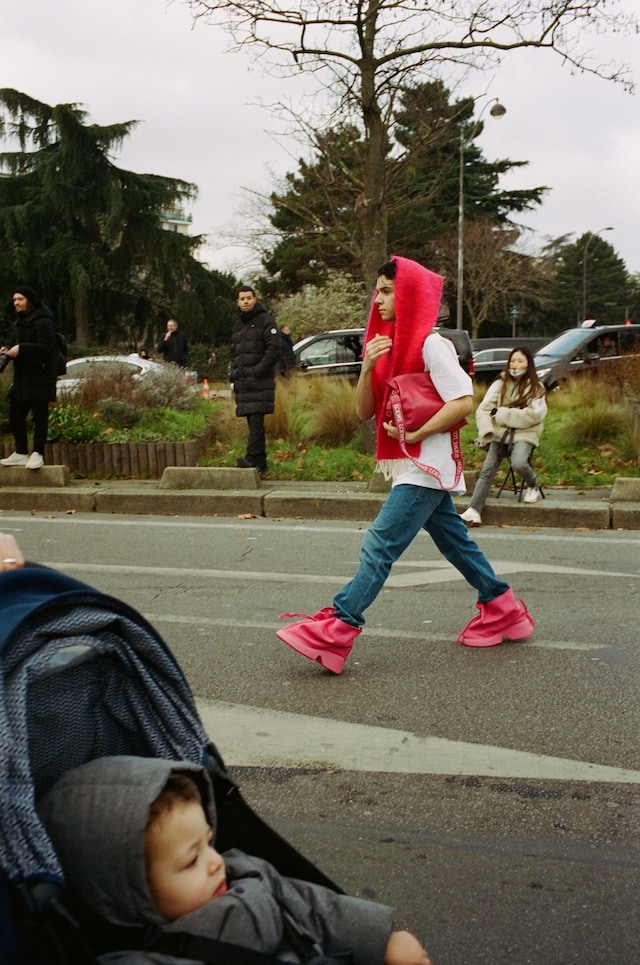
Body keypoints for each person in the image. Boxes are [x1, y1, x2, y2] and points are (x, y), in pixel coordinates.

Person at [276, 257, 535, 671]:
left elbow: (463, 401)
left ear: (410, 294)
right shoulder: (383, 343)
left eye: (386, 290)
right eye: (377, 291)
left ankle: (339, 627)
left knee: (380, 544)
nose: (377, 299)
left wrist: (414, 435)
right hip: (409, 464)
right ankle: (503, 607)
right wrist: (366, 367)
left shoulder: (432, 344)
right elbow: (364, 411)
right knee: (456, 543)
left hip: (426, 464)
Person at [38, 755, 431, 965]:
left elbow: (315, 908)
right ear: (129, 890)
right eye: (191, 861)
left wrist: (380, 940)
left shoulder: (245, 872)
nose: (215, 862)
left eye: (209, 843)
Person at [459, 347, 547, 526]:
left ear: (528, 364)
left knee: (519, 462)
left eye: (520, 361)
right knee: (487, 471)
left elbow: (535, 414)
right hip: (500, 434)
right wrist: (487, 431)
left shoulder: (536, 387)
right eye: (513, 361)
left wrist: (501, 414)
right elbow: (484, 410)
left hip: (525, 433)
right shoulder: (500, 384)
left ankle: (533, 485)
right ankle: (474, 510)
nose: (516, 365)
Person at [0, 285, 58, 470]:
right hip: (22, 379)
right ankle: (21, 452)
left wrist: (22, 348)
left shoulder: (43, 322)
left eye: (20, 299)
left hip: (40, 377)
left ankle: (38, 454)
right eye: (14, 300)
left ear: (30, 301)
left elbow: (47, 348)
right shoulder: (18, 323)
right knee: (15, 415)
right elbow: (13, 345)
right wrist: (6, 351)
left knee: (39, 417)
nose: (16, 303)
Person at [230, 285, 282, 474]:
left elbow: (274, 349)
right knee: (252, 422)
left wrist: (257, 371)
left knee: (256, 420)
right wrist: (234, 375)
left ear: (255, 299)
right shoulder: (238, 325)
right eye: (242, 298)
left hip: (259, 381)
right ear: (237, 302)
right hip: (243, 383)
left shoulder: (266, 321)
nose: (245, 301)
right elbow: (234, 353)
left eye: (249, 298)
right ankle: (260, 464)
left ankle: (252, 459)